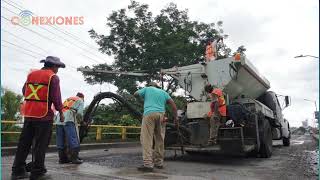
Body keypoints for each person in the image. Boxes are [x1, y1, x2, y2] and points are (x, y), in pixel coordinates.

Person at [11, 56, 65, 180]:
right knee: (40, 145)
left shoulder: (31, 74)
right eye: (58, 67)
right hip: (44, 116)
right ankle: (38, 173)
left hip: (29, 114)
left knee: (24, 144)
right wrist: (60, 112)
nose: (58, 70)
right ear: (53, 66)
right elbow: (56, 97)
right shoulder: (53, 77)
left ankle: (17, 171)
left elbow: (25, 91)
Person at [134, 82, 178, 172]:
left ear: (150, 85)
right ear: (157, 86)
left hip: (149, 114)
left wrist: (141, 99)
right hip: (161, 116)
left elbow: (136, 94)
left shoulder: (147, 89)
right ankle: (159, 163)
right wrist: (176, 118)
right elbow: (173, 105)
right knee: (160, 139)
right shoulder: (163, 92)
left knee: (147, 139)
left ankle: (148, 164)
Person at [55, 92, 85, 164]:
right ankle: (74, 158)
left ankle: (62, 159)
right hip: (69, 118)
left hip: (59, 118)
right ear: (82, 98)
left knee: (60, 139)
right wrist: (81, 121)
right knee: (73, 138)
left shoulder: (68, 99)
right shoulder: (80, 100)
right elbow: (80, 113)